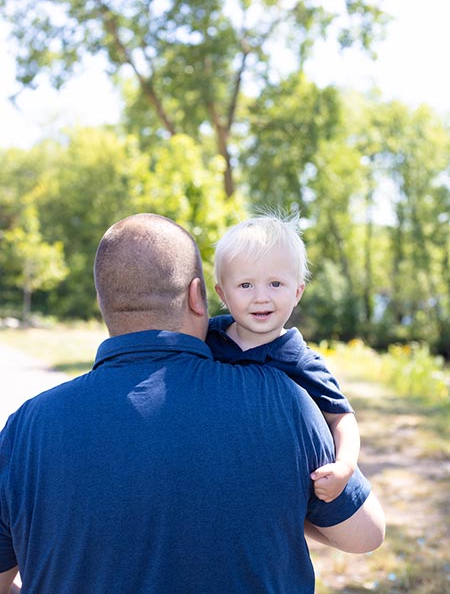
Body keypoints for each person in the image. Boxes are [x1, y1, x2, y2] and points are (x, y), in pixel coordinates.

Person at [0, 213, 384, 594]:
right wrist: (283, 498)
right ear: (199, 296)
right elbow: (365, 535)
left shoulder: (25, 428)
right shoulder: (285, 401)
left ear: (105, 302)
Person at [207, 213, 360, 503]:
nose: (261, 297)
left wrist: (345, 466)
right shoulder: (208, 337)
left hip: (271, 484)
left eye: (276, 284)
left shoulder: (300, 361)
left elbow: (342, 418)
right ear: (223, 293)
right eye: (245, 285)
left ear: (297, 292)